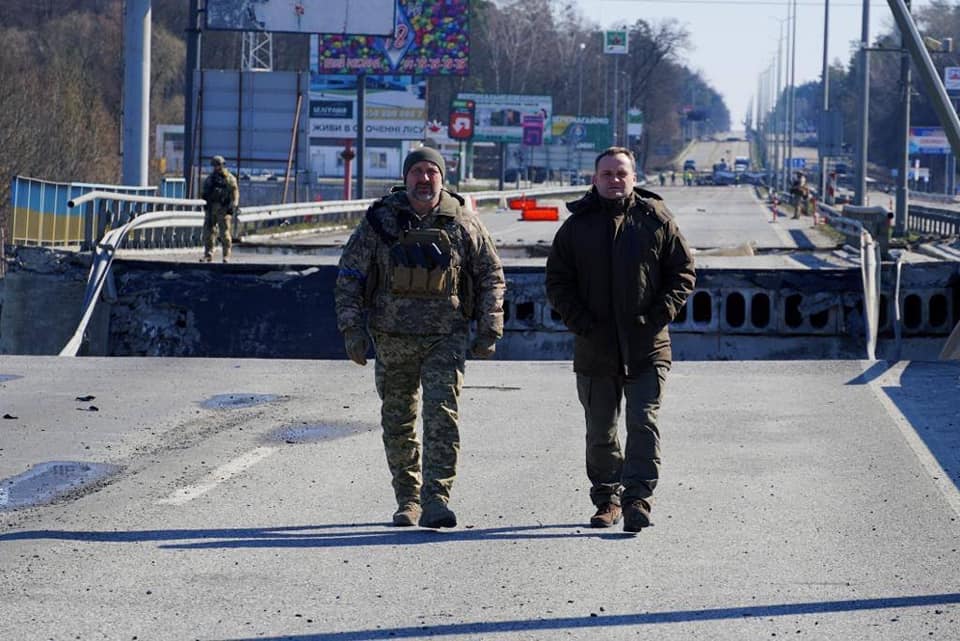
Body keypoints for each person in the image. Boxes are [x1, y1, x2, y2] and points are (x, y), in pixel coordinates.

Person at [334, 146, 505, 529]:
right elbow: (350, 277)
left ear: (442, 179)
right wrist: (352, 330)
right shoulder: (381, 222)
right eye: (417, 172)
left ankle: (436, 499)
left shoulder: (462, 222)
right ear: (406, 177)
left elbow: (491, 274)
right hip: (392, 339)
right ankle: (407, 499)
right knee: (398, 421)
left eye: (432, 172)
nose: (424, 180)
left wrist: (489, 327)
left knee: (442, 417)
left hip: (445, 336)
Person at [545, 147, 696, 533]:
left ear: (633, 177)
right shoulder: (576, 227)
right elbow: (558, 282)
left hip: (647, 345)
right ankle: (607, 499)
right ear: (595, 179)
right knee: (601, 431)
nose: (615, 180)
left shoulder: (656, 220)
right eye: (607, 173)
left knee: (643, 423)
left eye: (622, 173)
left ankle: (638, 499)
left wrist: (658, 316)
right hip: (595, 348)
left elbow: (683, 274)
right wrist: (580, 322)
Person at [201, 155, 239, 263]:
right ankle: (208, 254)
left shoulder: (229, 178)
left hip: (223, 209)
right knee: (208, 232)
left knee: (225, 234)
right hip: (211, 208)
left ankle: (226, 255)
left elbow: (235, 191)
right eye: (214, 165)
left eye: (218, 165)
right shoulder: (210, 179)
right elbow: (204, 191)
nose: (216, 167)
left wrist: (234, 204)